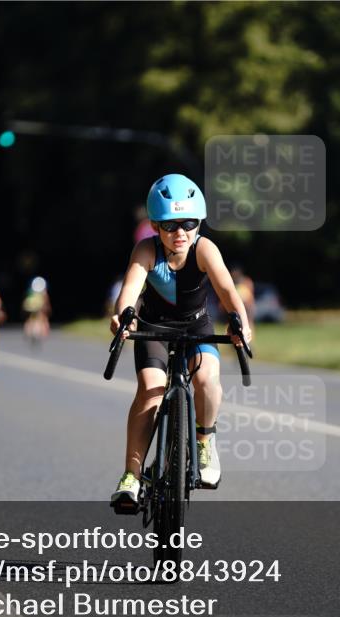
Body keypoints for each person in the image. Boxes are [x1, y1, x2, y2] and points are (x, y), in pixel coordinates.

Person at [109, 174, 252, 508]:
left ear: (198, 222)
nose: (180, 233)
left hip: (196, 326)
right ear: (156, 226)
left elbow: (228, 291)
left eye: (188, 223)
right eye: (170, 225)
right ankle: (131, 475)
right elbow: (130, 290)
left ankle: (204, 441)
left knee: (207, 380)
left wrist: (240, 323)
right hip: (154, 327)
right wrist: (122, 314)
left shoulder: (204, 248)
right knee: (150, 390)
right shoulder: (146, 250)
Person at [22, 276, 52, 345]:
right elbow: (46, 301)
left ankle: (28, 333)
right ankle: (41, 334)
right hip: (39, 307)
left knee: (30, 320)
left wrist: (24, 308)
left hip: (30, 307)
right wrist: (48, 308)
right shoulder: (43, 292)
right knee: (42, 319)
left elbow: (25, 300)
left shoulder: (30, 291)